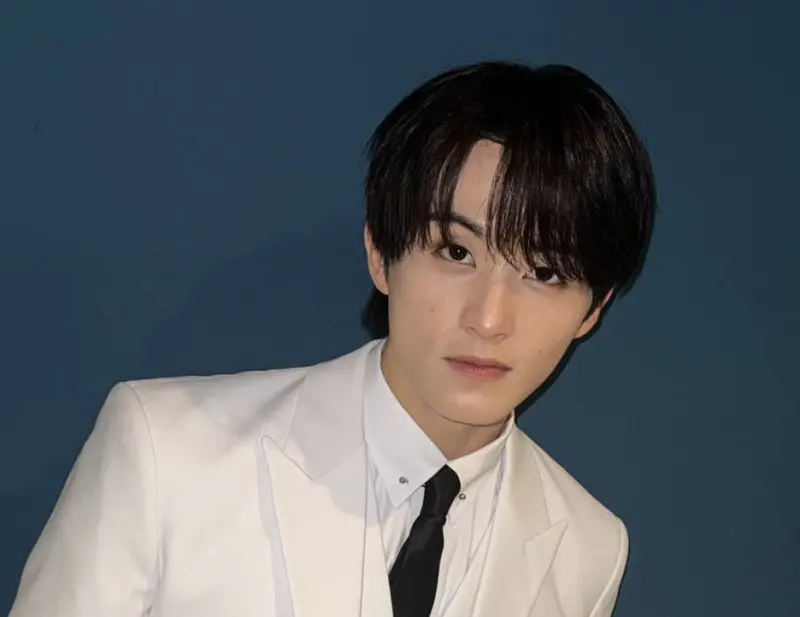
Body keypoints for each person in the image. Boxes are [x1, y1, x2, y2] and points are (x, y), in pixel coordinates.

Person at [10, 61, 656, 617]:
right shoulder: (166, 451)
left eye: (545, 272)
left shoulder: (589, 548)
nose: (489, 319)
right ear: (380, 252)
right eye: (456, 251)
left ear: (594, 308)